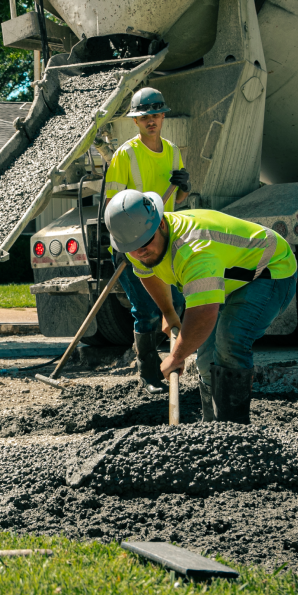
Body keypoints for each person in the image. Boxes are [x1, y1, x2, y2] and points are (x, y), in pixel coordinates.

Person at [103, 189, 298, 423]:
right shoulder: (137, 241)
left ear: (162, 225)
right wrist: (168, 313)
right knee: (206, 360)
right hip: (230, 276)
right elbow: (148, 272)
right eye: (133, 248)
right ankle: (210, 429)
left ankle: (234, 434)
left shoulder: (194, 250)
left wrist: (176, 357)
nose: (140, 252)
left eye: (145, 244)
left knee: (230, 341)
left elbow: (204, 313)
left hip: (270, 269)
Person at [99, 87, 192, 395]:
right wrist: (124, 246)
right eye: (145, 117)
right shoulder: (125, 155)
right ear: (135, 122)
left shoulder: (173, 151)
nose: (151, 121)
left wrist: (184, 188)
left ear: (163, 116)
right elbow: (112, 207)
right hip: (132, 245)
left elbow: (179, 199)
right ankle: (149, 374)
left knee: (176, 304)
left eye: (155, 115)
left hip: (164, 243)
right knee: (148, 310)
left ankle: (175, 368)